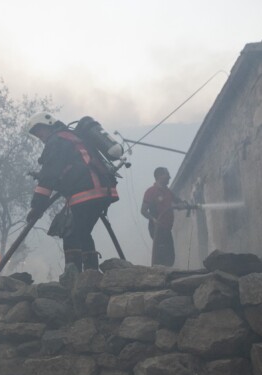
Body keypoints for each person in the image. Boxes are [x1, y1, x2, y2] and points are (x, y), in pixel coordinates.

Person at [24, 112, 120, 278]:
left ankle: (74, 278)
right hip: (103, 191)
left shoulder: (56, 141)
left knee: (70, 232)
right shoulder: (73, 137)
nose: (39, 136)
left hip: (85, 193)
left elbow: (48, 177)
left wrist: (36, 207)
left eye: (39, 131)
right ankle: (91, 275)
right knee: (82, 232)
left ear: (49, 124)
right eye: (36, 134)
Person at [141, 167, 185, 266]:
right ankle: (157, 276)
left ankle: (166, 276)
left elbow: (178, 201)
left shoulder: (168, 192)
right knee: (161, 255)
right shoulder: (150, 191)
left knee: (170, 256)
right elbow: (143, 211)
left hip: (167, 228)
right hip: (157, 228)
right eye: (167, 175)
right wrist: (153, 219)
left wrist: (183, 204)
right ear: (160, 176)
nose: (169, 177)